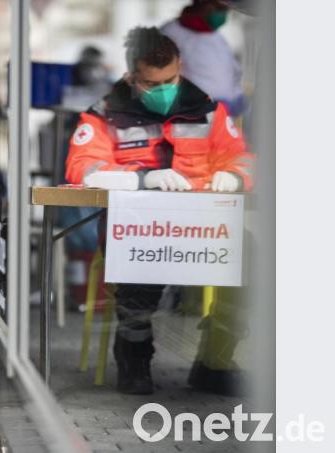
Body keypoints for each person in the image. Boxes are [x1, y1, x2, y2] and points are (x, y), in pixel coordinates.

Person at [65, 27, 254, 395]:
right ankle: (134, 359)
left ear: (180, 68)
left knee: (257, 266)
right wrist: (143, 179)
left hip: (205, 228)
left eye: (170, 80)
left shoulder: (209, 111)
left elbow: (240, 157)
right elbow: (83, 169)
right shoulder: (104, 116)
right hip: (138, 230)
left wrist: (235, 177)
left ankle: (215, 361)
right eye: (152, 84)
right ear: (131, 77)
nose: (163, 89)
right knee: (137, 278)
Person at [160, 0, 246, 115]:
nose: (223, 14)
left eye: (226, 10)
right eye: (220, 9)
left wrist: (236, 97)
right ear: (204, 5)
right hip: (191, 113)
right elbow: (159, 74)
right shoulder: (170, 32)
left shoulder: (216, 36)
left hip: (224, 111)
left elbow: (232, 71)